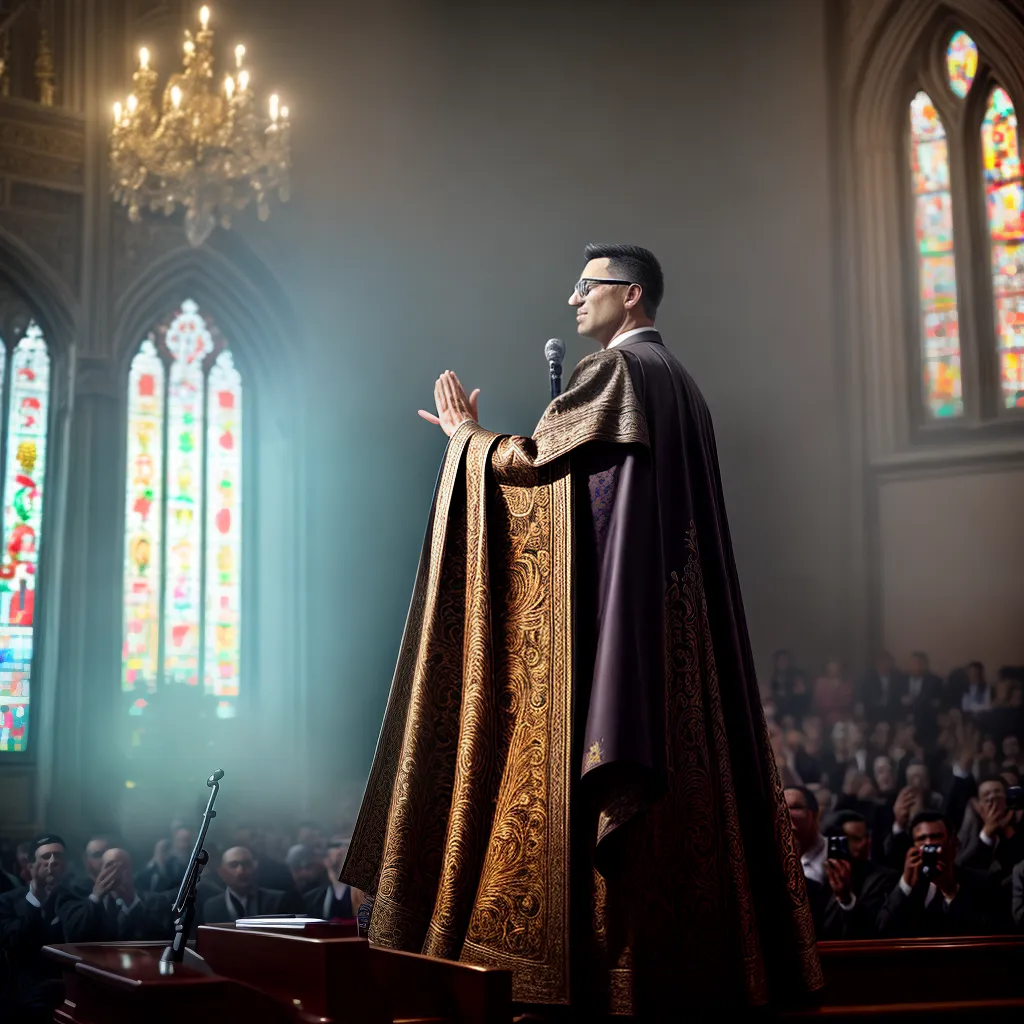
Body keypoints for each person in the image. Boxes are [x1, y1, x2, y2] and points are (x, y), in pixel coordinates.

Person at [341, 244, 822, 1016]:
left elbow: (534, 466)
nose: (572, 299)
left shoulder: (619, 372)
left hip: (616, 640)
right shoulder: (686, 388)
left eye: (586, 286)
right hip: (674, 645)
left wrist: (466, 438)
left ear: (631, 296)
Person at [0, 835, 95, 1022]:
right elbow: (15, 941)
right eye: (46, 857)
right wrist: (35, 896)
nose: (52, 861)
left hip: (71, 994)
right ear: (30, 866)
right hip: (24, 997)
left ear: (65, 864)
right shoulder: (7, 902)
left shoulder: (80, 901)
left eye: (58, 856)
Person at [819, 811, 898, 939]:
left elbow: (874, 930)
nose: (864, 844)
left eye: (866, 837)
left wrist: (847, 900)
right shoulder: (817, 875)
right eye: (855, 839)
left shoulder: (884, 879)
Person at [201, 847, 303, 924]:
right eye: (234, 865)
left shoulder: (278, 900)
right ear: (221, 872)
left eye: (246, 864)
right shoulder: (212, 906)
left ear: (255, 869)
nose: (241, 871)